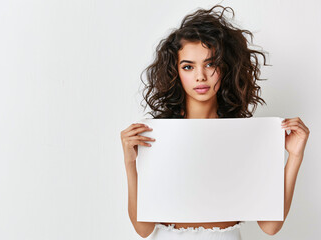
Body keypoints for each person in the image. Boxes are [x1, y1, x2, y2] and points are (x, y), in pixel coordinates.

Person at [120, 4, 310, 239]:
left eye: (210, 64)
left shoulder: (245, 134)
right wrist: (129, 162)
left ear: (225, 67)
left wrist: (295, 156)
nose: (200, 76)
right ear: (175, 72)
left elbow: (270, 226)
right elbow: (143, 229)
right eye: (188, 66)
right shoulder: (158, 133)